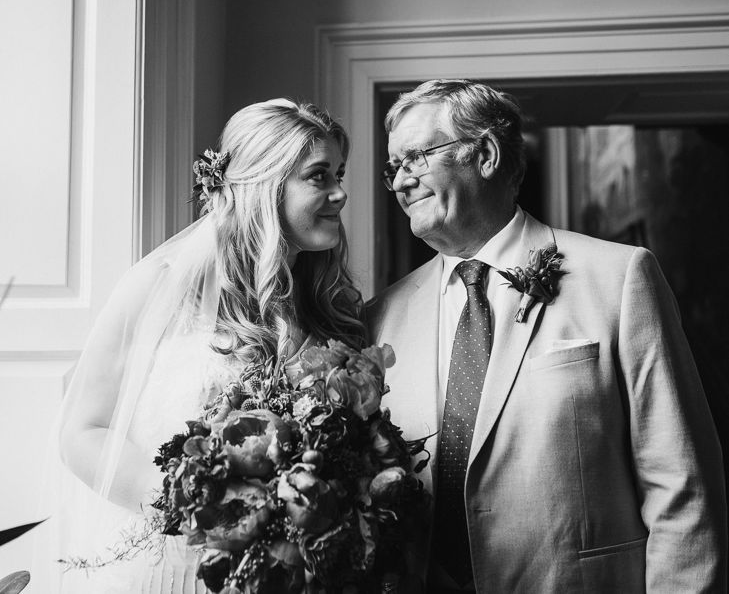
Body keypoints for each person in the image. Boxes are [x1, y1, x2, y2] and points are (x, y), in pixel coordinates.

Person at [366, 79, 727, 593]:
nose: (402, 182)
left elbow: (682, 485)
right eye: (394, 168)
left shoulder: (620, 278)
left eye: (417, 158)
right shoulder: (381, 317)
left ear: (486, 154)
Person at [56, 98, 365, 592]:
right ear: (266, 186)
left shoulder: (329, 304)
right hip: (175, 566)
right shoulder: (158, 286)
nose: (341, 192)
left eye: (339, 173)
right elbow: (82, 432)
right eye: (319, 176)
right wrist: (193, 507)